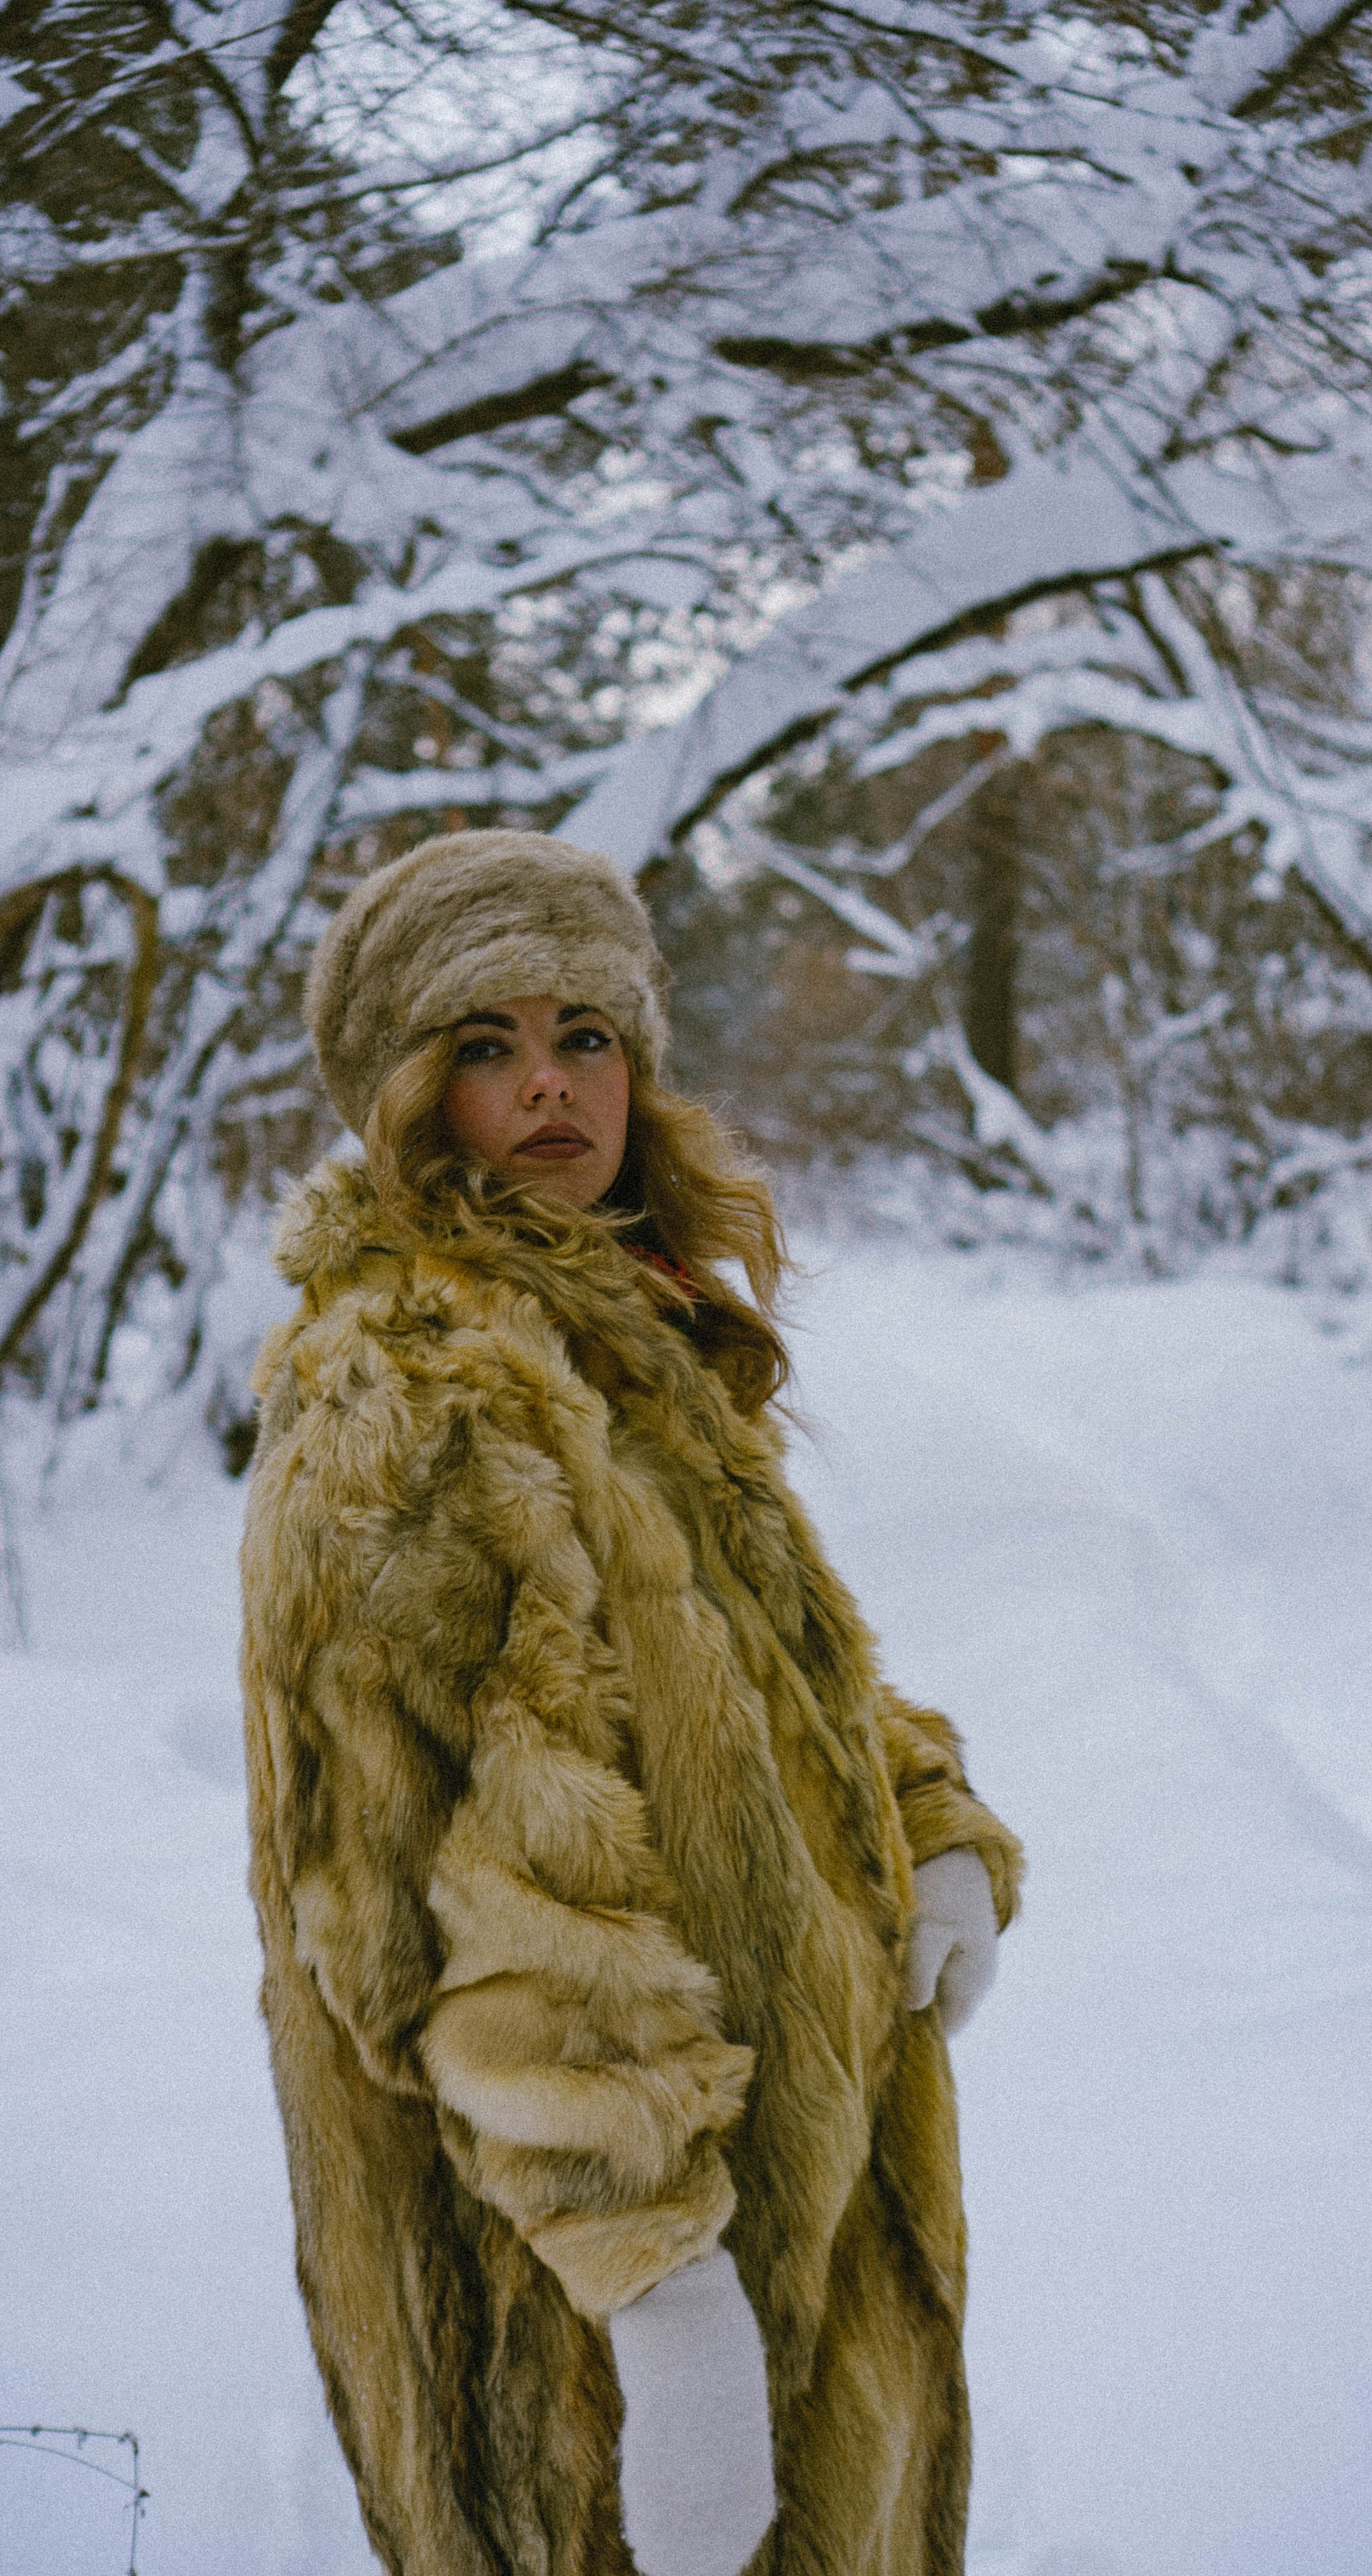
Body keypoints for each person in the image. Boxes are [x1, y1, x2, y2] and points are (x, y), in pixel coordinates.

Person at [240, 828, 1023, 2576]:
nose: (548, 1085)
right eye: (487, 1042)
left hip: (783, 2202)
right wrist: (660, 2291)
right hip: (581, 2291)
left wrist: (929, 1823)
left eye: (583, 1034)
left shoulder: (617, 1328)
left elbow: (755, 1672)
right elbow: (445, 1883)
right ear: (405, 1091)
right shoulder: (412, 1388)